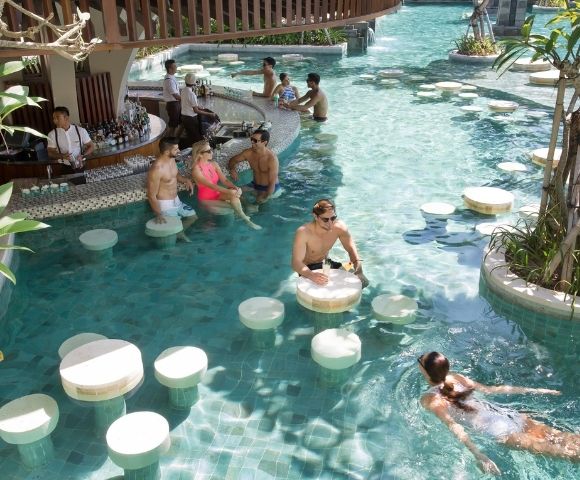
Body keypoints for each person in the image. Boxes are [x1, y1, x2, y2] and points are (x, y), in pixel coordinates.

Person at [418, 351, 580, 475]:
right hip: (510, 416)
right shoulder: (456, 377)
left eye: (420, 361)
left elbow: (454, 427)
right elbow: (492, 390)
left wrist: (479, 455)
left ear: (425, 372)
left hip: (500, 432)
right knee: (562, 437)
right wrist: (536, 390)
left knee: (563, 452)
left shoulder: (430, 399)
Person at [291, 199, 368, 287]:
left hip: (326, 263)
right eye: (325, 219)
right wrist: (311, 275)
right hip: (308, 268)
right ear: (315, 216)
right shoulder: (304, 232)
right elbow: (296, 263)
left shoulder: (339, 227)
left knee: (362, 282)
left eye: (333, 218)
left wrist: (359, 271)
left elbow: (351, 249)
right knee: (325, 289)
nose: (330, 223)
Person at [191, 140, 261, 230]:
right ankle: (246, 220)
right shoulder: (196, 170)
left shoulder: (213, 164)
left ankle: (243, 217)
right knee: (234, 202)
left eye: (211, 149)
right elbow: (211, 186)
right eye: (208, 151)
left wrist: (235, 187)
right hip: (206, 199)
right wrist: (229, 191)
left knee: (234, 197)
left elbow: (224, 180)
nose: (212, 152)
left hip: (217, 194)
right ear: (200, 154)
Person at [147, 137, 197, 238]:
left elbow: (175, 175)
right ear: (166, 152)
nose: (178, 151)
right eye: (176, 149)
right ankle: (177, 234)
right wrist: (158, 214)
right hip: (166, 206)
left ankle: (178, 233)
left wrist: (185, 180)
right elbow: (151, 195)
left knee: (193, 217)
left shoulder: (172, 159)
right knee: (174, 227)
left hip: (177, 201)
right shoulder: (157, 169)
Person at [227, 129, 280, 205]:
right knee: (232, 191)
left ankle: (250, 208)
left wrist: (265, 197)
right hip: (255, 185)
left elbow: (272, 183)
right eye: (251, 139)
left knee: (256, 208)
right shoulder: (248, 153)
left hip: (270, 189)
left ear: (264, 142)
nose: (252, 142)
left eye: (255, 140)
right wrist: (232, 169)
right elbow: (232, 160)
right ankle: (248, 206)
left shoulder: (272, 159)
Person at [47, 106, 94, 171]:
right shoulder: (52, 134)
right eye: (54, 118)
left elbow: (91, 146)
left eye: (57, 117)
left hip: (81, 165)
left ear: (66, 118)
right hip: (64, 167)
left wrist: (83, 155)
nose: (55, 121)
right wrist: (62, 156)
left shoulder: (80, 131)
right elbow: (50, 152)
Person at [180, 73, 218, 146]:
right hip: (191, 119)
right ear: (194, 83)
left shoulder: (183, 90)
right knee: (196, 139)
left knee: (190, 137)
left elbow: (189, 104)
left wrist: (198, 106)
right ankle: (194, 154)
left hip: (184, 117)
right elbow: (196, 110)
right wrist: (210, 114)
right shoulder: (191, 94)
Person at [162, 59, 181, 136]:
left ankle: (173, 138)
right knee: (172, 124)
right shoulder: (169, 80)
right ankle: (168, 140)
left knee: (175, 123)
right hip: (173, 105)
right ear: (170, 69)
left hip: (175, 104)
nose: (176, 67)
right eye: (175, 66)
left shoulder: (171, 77)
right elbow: (176, 96)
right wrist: (186, 98)